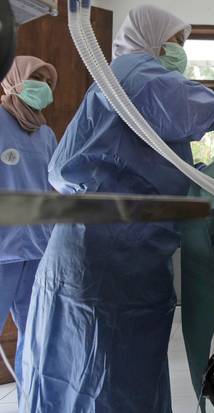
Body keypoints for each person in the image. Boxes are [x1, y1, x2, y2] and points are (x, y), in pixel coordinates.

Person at [19, 6, 214, 412]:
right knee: (96, 375)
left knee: (117, 378)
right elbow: (183, 105)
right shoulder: (133, 73)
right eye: (176, 42)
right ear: (151, 37)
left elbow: (158, 168)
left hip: (115, 257)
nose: (178, 52)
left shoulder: (128, 87)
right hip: (103, 259)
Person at [0, 56, 57, 399]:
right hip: (2, 251)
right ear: (12, 81)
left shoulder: (46, 133)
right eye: (35, 78)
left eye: (48, 81)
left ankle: (29, 402)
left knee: (36, 338)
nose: (43, 87)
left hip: (37, 250)